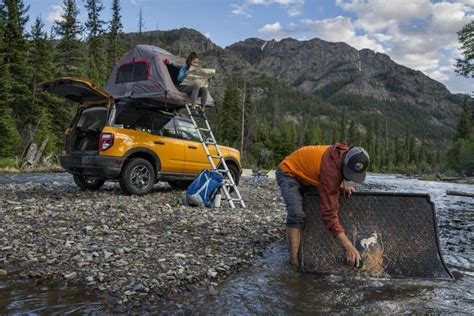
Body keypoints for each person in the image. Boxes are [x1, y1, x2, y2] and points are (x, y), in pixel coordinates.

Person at [275, 144, 370, 268]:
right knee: (296, 213)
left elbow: (328, 182)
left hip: (309, 176)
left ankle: (299, 242)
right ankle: (293, 263)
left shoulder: (345, 154)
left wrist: (339, 189)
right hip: (288, 173)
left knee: (314, 206)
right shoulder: (331, 171)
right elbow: (329, 215)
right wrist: (349, 246)